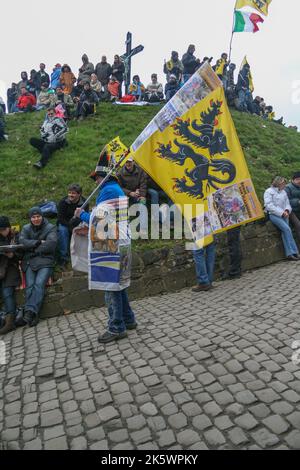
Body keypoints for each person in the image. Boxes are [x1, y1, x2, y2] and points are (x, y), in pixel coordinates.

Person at [74, 152, 137, 343]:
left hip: (112, 244)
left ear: (104, 177)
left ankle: (116, 327)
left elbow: (99, 219)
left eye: (97, 178)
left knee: (111, 285)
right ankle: (128, 319)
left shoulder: (108, 191)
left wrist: (82, 215)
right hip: (121, 240)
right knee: (119, 283)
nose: (95, 182)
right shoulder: (115, 189)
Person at [19, 207, 57, 327]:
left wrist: (32, 249)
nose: (36, 219)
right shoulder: (25, 228)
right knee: (30, 287)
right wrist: (37, 243)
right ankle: (34, 315)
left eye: (38, 216)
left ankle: (29, 312)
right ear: (30, 218)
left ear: (42, 216)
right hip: (30, 261)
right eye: (33, 217)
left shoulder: (50, 227)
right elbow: (22, 242)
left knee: (39, 284)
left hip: (45, 260)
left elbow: (51, 245)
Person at [264, 176, 300, 261]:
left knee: (285, 232)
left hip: (285, 214)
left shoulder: (283, 192)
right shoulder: (268, 192)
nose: (284, 185)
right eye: (283, 183)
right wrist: (281, 212)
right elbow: (269, 205)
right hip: (274, 215)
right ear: (278, 183)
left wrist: (287, 210)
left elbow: (287, 203)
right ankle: (295, 252)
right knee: (287, 229)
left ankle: (289, 254)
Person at [57, 184, 89, 267]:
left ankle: (81, 256)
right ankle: (64, 257)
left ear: (79, 194)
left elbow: (84, 217)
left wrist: (76, 226)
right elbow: (60, 218)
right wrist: (69, 227)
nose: (71, 195)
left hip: (78, 223)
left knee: (84, 231)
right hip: (65, 223)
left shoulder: (84, 203)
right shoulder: (63, 202)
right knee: (63, 231)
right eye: (69, 193)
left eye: (73, 193)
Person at [0, 217, 22, 335]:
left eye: (4, 229)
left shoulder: (15, 236)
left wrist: (12, 255)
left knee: (7, 292)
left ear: (9, 227)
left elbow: (21, 254)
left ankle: (10, 322)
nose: (2, 232)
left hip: (11, 268)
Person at [117, 157, 148, 236]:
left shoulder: (140, 170)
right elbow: (119, 187)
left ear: (134, 162)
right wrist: (130, 193)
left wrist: (142, 195)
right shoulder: (120, 173)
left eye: (130, 162)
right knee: (122, 207)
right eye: (126, 162)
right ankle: (124, 230)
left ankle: (142, 230)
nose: (128, 163)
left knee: (143, 204)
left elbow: (143, 184)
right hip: (126, 196)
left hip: (138, 195)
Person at [285, 172, 300, 242]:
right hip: (291, 211)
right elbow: (285, 201)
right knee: (298, 225)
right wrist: (297, 202)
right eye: (297, 179)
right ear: (293, 179)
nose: (299, 181)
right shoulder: (288, 187)